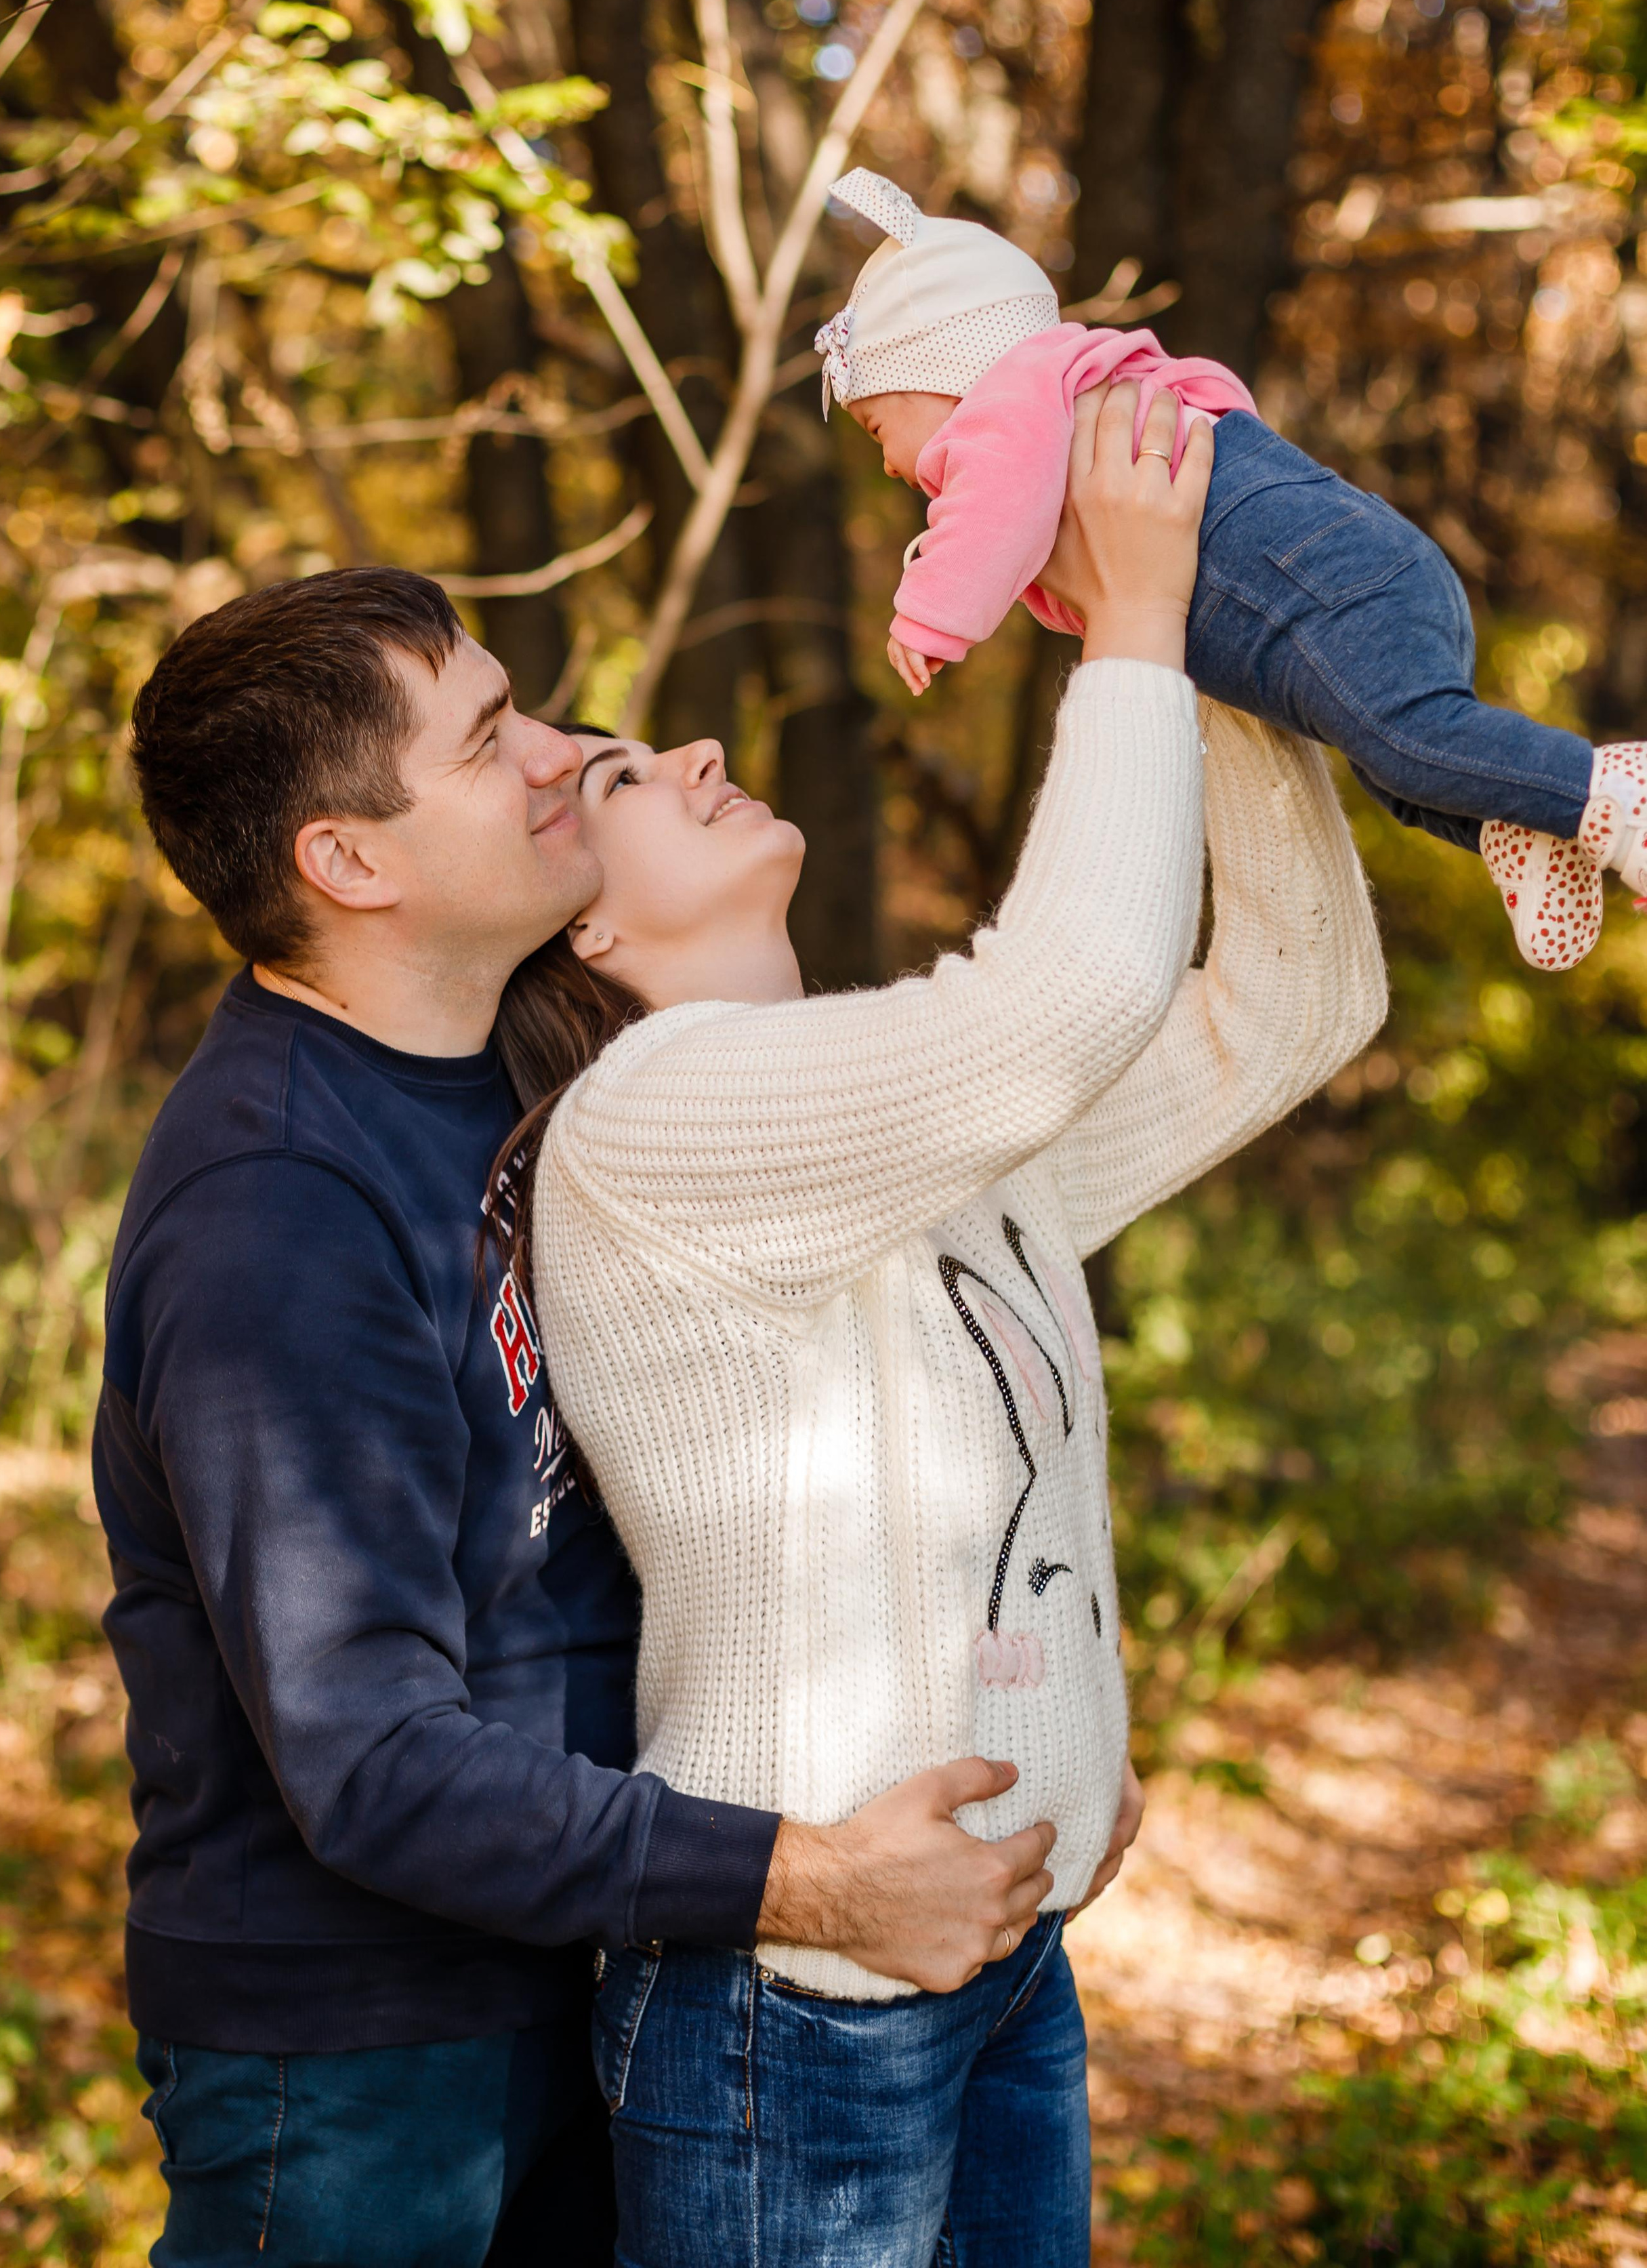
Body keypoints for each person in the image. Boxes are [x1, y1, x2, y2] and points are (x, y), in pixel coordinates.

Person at [100, 568, 1096, 2268]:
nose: (564, 754)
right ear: (352, 861)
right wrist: (807, 1879)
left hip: (595, 1960)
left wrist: (1064, 1727)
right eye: (492, 739)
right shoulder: (277, 1210)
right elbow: (374, 1761)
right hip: (359, 2067)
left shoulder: (533, 1072)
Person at [507, 382, 1389, 2266]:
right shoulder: (649, 1126)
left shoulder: (904, 1131)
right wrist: (1134, 622)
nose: (691, 748)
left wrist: (1220, 652)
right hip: (800, 2001)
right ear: (578, 933)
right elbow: (1067, 994)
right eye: (616, 781)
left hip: (1001, 1961)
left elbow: (1304, 1000)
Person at [816, 165, 1647, 974]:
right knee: (1393, 764)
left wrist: (927, 613)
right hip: (1336, 581)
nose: (888, 464)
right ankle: (1531, 825)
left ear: (940, 368)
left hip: (1321, 584)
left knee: (1405, 741)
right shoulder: (1067, 403)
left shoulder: (1015, 399)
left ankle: (1609, 793)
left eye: (877, 427)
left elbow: (994, 511)